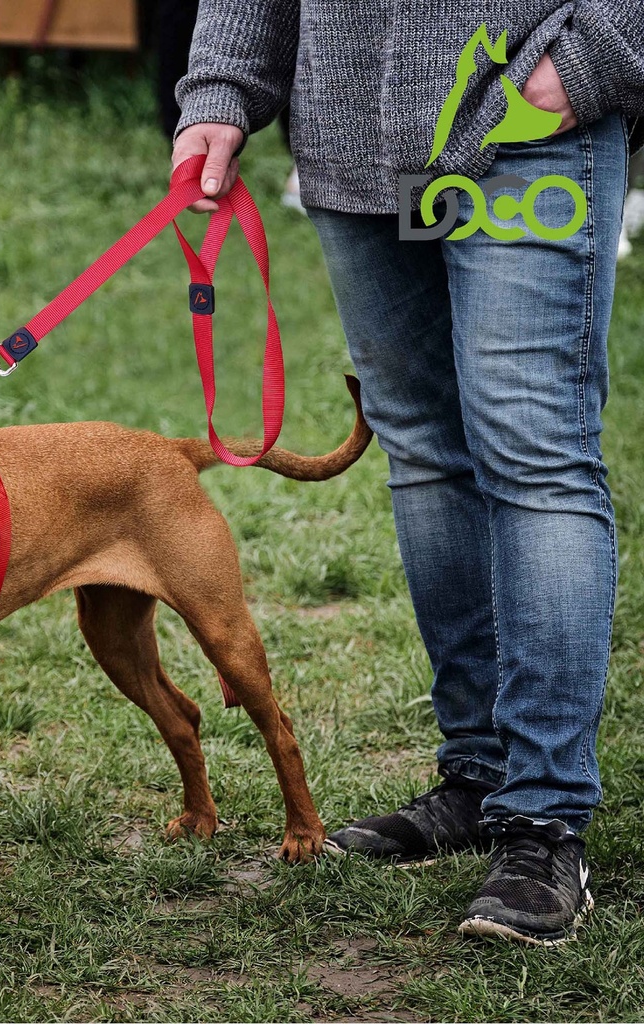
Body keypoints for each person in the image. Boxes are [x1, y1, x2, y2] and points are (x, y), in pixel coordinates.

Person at [172, 1, 644, 946]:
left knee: (535, 455)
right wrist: (222, 86)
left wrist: (597, 53)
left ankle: (544, 817)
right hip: (353, 142)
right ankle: (478, 772)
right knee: (425, 450)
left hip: (526, 125)